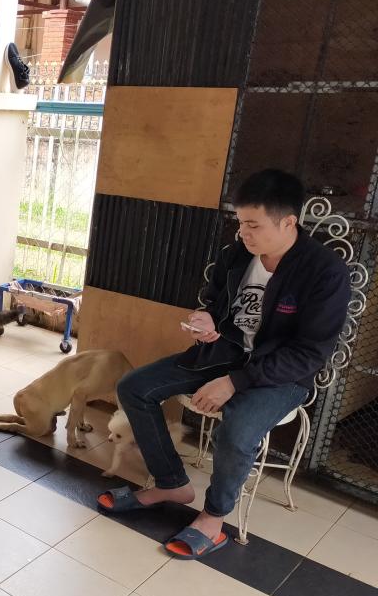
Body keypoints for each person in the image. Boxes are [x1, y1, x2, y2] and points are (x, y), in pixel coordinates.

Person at [98, 169, 351, 559]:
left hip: (281, 375)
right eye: (240, 222)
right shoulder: (237, 254)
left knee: (238, 427)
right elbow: (215, 301)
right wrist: (207, 322)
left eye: (253, 224)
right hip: (223, 354)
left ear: (288, 222)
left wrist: (236, 382)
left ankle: (213, 518)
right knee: (135, 387)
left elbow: (309, 352)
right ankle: (171, 483)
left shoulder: (324, 272)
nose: (243, 233)